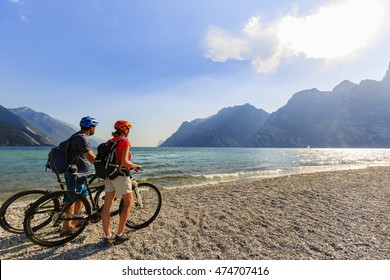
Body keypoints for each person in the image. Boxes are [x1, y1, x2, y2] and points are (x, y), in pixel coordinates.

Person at [101, 120, 141, 244]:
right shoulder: (124, 141)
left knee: (107, 206)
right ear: (125, 130)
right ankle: (120, 234)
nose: (129, 132)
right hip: (120, 175)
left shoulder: (111, 141)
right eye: (128, 129)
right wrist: (135, 166)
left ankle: (108, 236)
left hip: (108, 176)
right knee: (128, 202)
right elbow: (124, 162)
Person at [60, 116, 98, 236]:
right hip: (74, 174)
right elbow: (91, 157)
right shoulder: (82, 138)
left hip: (80, 173)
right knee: (71, 199)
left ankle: (75, 223)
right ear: (91, 127)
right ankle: (65, 228)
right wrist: (103, 165)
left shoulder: (77, 135)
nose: (94, 129)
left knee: (82, 196)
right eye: (94, 127)